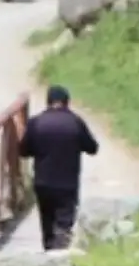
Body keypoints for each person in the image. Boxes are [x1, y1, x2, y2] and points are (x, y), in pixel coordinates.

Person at [19, 85, 100, 251]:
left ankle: (49, 252)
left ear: (47, 102)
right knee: (64, 224)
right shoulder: (75, 122)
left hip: (43, 182)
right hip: (67, 183)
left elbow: (23, 151)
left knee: (47, 221)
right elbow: (92, 148)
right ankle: (60, 253)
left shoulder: (36, 122)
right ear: (67, 102)